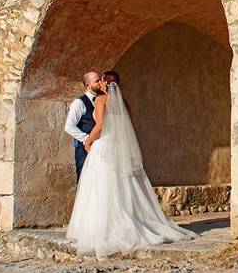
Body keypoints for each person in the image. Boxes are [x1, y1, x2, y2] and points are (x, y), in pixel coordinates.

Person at [66, 71, 197, 257]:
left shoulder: (101, 100)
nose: (100, 83)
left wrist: (88, 141)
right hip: (118, 148)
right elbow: (128, 125)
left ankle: (103, 226)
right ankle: (127, 219)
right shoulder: (124, 103)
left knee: (101, 186)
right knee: (120, 185)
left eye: (101, 80)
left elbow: (101, 125)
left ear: (105, 83)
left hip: (104, 146)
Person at [63, 71, 104, 181]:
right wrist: (87, 139)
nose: (100, 82)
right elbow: (69, 126)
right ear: (88, 85)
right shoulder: (79, 103)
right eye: (97, 81)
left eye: (100, 79)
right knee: (84, 181)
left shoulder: (104, 99)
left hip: (101, 147)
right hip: (84, 149)